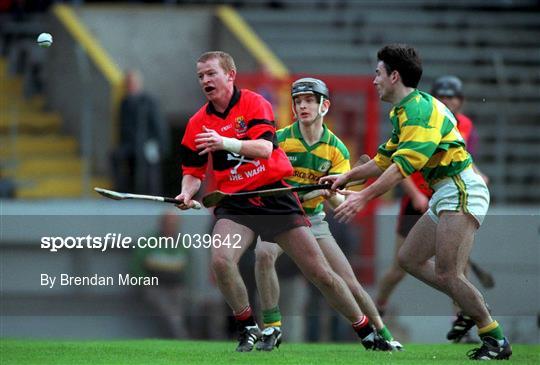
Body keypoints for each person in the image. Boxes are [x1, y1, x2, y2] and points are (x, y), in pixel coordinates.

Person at [175, 51, 394, 352]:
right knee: (222, 261)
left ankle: (366, 330)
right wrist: (187, 192)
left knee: (322, 274)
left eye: (211, 73)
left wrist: (224, 142)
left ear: (230, 75)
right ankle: (249, 325)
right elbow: (193, 171)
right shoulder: (197, 123)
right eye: (201, 76)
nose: (205, 80)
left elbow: (265, 148)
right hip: (236, 202)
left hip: (274, 196)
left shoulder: (255, 103)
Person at [321, 44, 512, 360]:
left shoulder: (419, 110)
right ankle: (472, 303)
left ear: (394, 76)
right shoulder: (403, 110)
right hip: (445, 192)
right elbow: (384, 160)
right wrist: (345, 178)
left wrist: (363, 197)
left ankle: (494, 339)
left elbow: (402, 168)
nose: (374, 80)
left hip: (461, 189)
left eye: (378, 73)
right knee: (408, 259)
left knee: (448, 273)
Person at [254, 78, 401, 351]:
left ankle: (384, 334)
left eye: (309, 100)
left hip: (314, 221)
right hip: (281, 217)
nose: (302, 106)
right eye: (298, 101)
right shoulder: (281, 140)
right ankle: (272, 328)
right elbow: (269, 187)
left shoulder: (337, 149)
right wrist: (307, 193)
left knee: (349, 282)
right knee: (263, 254)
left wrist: (338, 196)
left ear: (325, 106)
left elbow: (335, 201)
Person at [375, 75, 494, 344]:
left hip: (452, 197)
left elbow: (464, 158)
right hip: (417, 201)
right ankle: (377, 310)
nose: (447, 101)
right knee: (400, 266)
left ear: (460, 101)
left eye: (452, 97)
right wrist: (416, 195)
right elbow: (400, 164)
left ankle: (462, 322)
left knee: (456, 269)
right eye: (443, 97)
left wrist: (479, 175)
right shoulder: (419, 117)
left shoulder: (465, 125)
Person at [131, 210, 188, 338]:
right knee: (171, 313)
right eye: (169, 223)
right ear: (162, 224)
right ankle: (182, 339)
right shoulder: (149, 241)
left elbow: (188, 267)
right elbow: (136, 265)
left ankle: (177, 339)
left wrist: (187, 285)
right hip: (155, 286)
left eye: (175, 224)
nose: (172, 227)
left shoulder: (181, 243)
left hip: (176, 286)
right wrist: (145, 282)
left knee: (179, 312)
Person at [112, 70, 168, 195]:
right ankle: (122, 190)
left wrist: (159, 145)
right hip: (130, 144)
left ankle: (152, 193)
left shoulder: (148, 101)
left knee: (150, 161)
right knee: (116, 156)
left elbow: (158, 125)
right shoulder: (124, 102)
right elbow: (122, 127)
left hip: (148, 142)